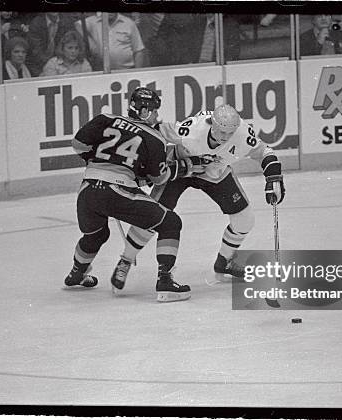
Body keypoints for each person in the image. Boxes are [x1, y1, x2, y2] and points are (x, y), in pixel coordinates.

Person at [109, 103, 286, 291]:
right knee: (152, 217)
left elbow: (265, 151)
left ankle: (224, 261)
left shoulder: (243, 134)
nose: (225, 139)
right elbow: (154, 131)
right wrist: (130, 158)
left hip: (213, 173)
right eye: (221, 132)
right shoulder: (191, 129)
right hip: (181, 168)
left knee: (245, 219)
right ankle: (125, 261)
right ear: (211, 124)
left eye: (229, 133)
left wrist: (273, 176)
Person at [64, 87, 214, 302]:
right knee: (170, 222)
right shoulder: (154, 138)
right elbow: (159, 178)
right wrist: (187, 167)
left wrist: (99, 160)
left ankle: (77, 273)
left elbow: (78, 145)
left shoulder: (105, 118)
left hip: (87, 192)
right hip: (117, 191)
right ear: (144, 112)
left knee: (96, 235)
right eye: (154, 112)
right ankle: (165, 281)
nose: (156, 117)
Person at [75, 12, 147, 70]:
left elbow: (138, 50)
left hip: (126, 70)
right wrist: (91, 43)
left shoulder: (128, 23)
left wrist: (137, 72)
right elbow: (78, 25)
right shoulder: (94, 21)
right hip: (101, 71)